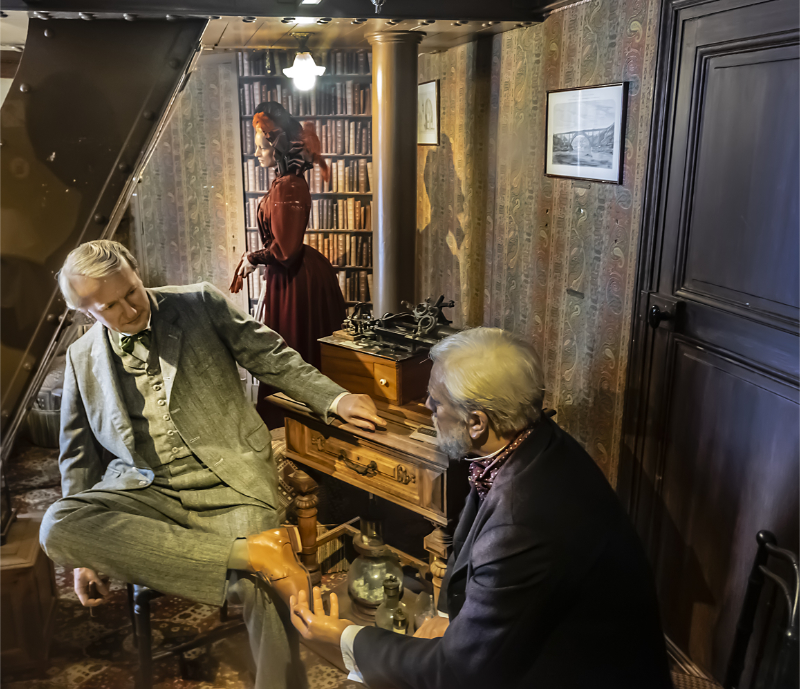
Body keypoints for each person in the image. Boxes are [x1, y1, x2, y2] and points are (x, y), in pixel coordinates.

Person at [40, 239, 385, 689]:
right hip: (146, 493)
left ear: (135, 273)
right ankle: (251, 554)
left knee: (270, 587)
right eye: (112, 305)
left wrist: (335, 398)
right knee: (56, 525)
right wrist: (86, 557)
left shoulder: (199, 303)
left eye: (133, 290)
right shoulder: (80, 359)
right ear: (88, 312)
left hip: (230, 483)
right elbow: (79, 455)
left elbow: (272, 357)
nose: (131, 307)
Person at [290, 327, 674, 689]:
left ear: (476, 422)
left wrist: (346, 637)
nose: (426, 407)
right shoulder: (531, 444)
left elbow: (458, 672)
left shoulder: (522, 521)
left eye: (436, 402)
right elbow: (465, 548)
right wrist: (444, 619)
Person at [231, 101, 346, 425]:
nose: (256, 155)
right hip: (291, 277)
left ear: (273, 144)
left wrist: (253, 257)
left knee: (293, 347)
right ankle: (295, 417)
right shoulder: (285, 183)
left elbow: (285, 250)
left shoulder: (288, 185)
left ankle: (297, 419)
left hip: (297, 279)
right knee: (288, 345)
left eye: (259, 147)